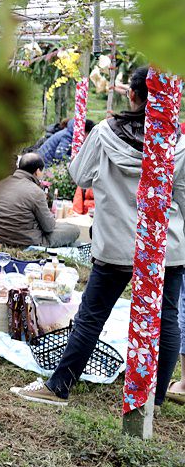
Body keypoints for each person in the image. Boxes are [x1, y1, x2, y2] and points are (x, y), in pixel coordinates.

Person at [12, 67, 185, 407]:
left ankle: (59, 386)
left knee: (92, 316)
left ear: (131, 95)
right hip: (167, 246)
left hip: (117, 243)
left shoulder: (106, 131)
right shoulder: (177, 141)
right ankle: (155, 398)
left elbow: (79, 174)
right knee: (167, 319)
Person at [0, 153, 81, 248]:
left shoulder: (0, 184)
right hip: (26, 242)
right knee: (74, 230)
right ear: (37, 171)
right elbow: (49, 227)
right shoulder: (36, 191)